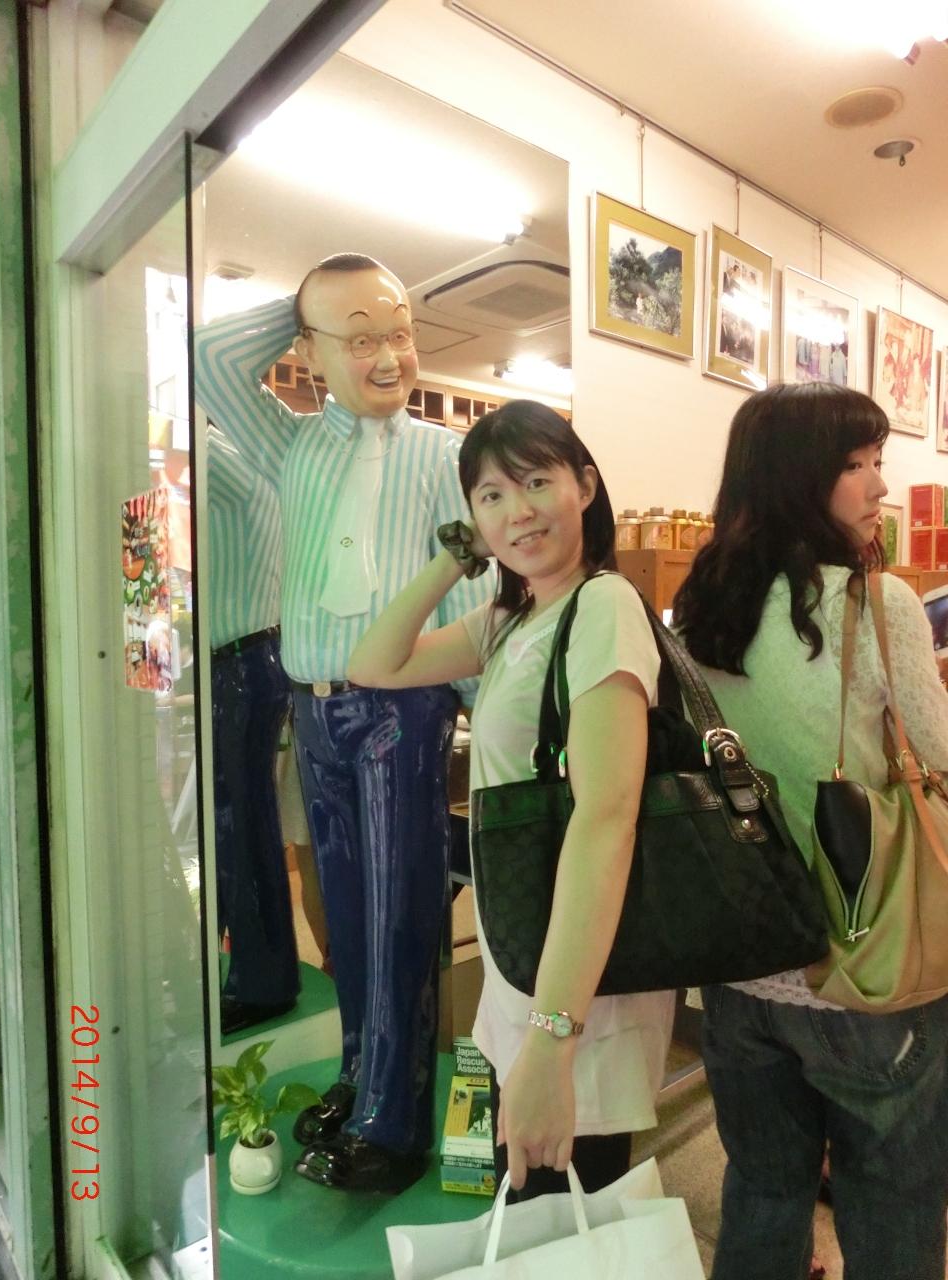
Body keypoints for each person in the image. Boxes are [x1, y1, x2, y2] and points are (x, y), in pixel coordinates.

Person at [194, 254, 489, 1193]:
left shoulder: (445, 456)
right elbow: (209, 357)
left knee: (401, 912)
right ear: (311, 351)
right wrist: (303, 305)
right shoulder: (288, 444)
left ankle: (395, 1124)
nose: (388, 356)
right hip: (314, 706)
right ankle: (362, 1079)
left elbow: (475, 584)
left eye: (398, 331)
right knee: (348, 911)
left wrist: (479, 703)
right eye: (359, 340)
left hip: (404, 708)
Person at [349, 400, 674, 1197]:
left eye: (535, 482)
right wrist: (458, 556)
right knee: (530, 1216)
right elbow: (375, 663)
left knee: (559, 1222)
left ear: (584, 487)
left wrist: (552, 1044)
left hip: (575, 997)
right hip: (523, 969)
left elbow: (606, 820)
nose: (517, 510)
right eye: (491, 495)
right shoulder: (516, 617)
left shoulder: (602, 608)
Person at [672, 381, 948, 1280]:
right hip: (863, 962)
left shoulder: (700, 606)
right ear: (795, 477)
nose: (880, 487)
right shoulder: (876, 603)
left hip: (739, 962)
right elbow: (939, 753)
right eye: (854, 465)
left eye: (878, 462)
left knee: (761, 1189)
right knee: (893, 1199)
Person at [207, 426, 299, 1034]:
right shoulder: (256, 462)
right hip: (250, 660)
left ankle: (263, 980)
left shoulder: (219, 454)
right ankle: (256, 972)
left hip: (240, 663)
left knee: (240, 826)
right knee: (239, 824)